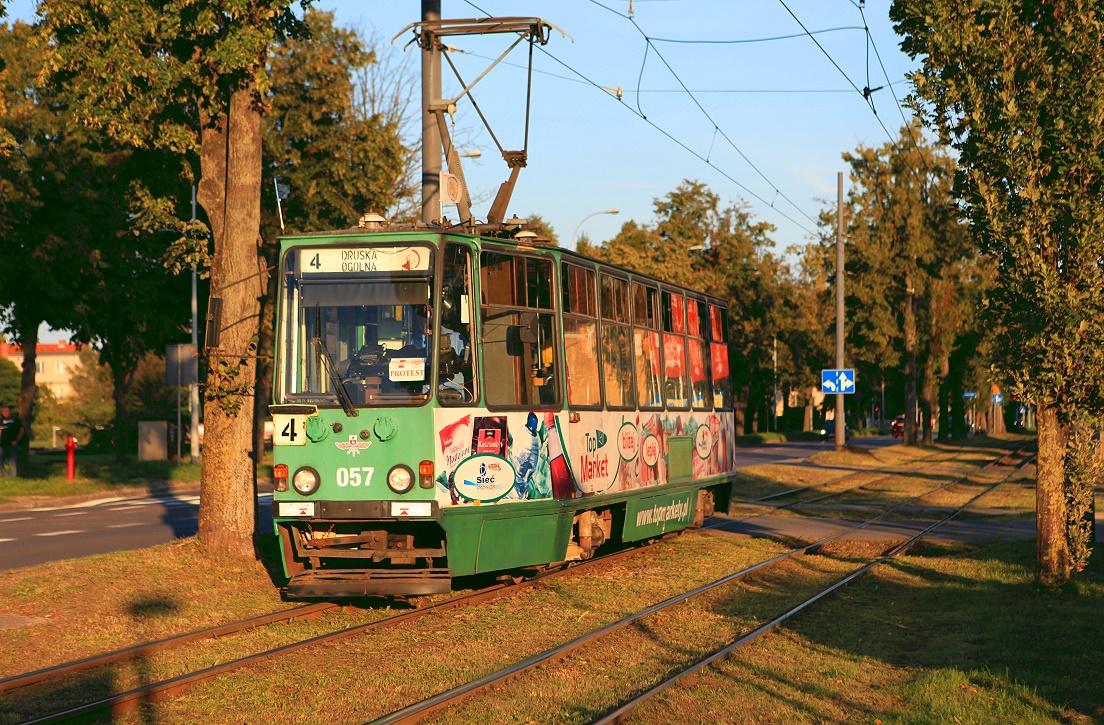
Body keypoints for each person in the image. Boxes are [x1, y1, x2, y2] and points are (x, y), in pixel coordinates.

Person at [0, 405, 26, 477]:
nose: (5, 413)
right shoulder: (1, 420)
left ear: (10, 412)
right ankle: (6, 476)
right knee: (0, 462)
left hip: (12, 444)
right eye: (4, 411)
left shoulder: (15, 420)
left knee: (12, 463)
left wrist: (16, 440)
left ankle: (13, 477)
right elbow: (1, 431)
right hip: (2, 444)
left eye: (7, 411)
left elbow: (21, 430)